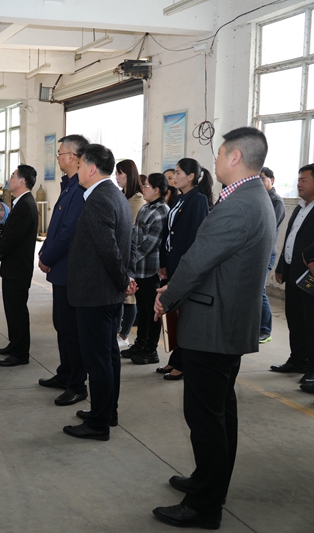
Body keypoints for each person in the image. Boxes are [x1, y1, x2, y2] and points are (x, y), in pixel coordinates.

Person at [152, 126, 275, 530]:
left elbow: (198, 259)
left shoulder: (240, 204)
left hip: (214, 325)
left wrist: (167, 297)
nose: (216, 161)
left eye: (220, 153)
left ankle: (204, 506)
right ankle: (208, 481)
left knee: (206, 418)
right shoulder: (251, 197)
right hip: (226, 320)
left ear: (235, 157)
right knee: (220, 413)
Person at [64, 144, 135, 441]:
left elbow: (109, 250)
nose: (77, 169)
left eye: (80, 165)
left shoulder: (99, 199)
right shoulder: (114, 195)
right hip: (108, 293)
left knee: (98, 361)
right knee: (108, 356)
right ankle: (107, 411)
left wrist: (122, 280)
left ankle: (98, 423)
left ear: (92, 169)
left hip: (97, 294)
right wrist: (124, 280)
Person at [36, 134, 90, 407]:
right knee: (61, 325)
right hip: (59, 269)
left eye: (60, 153)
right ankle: (65, 373)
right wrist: (45, 252)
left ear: (73, 157)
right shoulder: (68, 186)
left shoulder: (80, 190)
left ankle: (77, 384)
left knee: (71, 330)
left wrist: (47, 256)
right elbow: (56, 227)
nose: (57, 158)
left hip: (69, 271)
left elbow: (69, 233)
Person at [155, 158, 213, 379]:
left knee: (184, 314)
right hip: (172, 264)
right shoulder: (179, 198)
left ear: (191, 177)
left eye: (178, 173)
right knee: (173, 313)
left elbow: (195, 238)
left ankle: (183, 363)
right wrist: (163, 262)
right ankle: (175, 359)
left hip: (183, 266)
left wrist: (182, 268)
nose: (174, 177)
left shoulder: (198, 200)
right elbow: (168, 232)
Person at [0, 164, 39, 367]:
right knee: (12, 309)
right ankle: (14, 344)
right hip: (14, 267)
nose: (9, 179)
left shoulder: (26, 205)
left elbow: (13, 238)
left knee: (17, 310)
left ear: (22, 181)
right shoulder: (20, 202)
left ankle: (21, 353)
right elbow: (7, 234)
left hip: (18, 268)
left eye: (13, 175)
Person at [271, 165, 314, 380]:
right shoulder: (299, 207)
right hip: (293, 272)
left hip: (309, 276)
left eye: (304, 180)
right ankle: (297, 359)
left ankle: (311, 367)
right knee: (295, 318)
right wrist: (282, 266)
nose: (299, 184)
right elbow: (290, 238)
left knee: (310, 323)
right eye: (298, 180)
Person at [124, 173, 170, 365]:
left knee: (152, 312)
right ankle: (140, 344)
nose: (143, 188)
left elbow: (148, 245)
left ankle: (151, 350)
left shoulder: (161, 212)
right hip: (139, 269)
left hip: (150, 271)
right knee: (142, 310)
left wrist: (130, 260)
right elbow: (135, 234)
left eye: (147, 186)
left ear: (157, 190)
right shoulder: (146, 207)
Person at [115, 159, 145, 349]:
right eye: (116, 173)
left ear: (130, 175)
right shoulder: (121, 195)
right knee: (120, 296)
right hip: (119, 250)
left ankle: (125, 335)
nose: (117, 177)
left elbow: (129, 227)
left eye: (120, 174)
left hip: (130, 253)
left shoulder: (137, 199)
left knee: (129, 298)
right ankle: (118, 331)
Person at [258, 167, 286, 343]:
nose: (259, 182)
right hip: (256, 252)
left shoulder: (276, 201)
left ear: (272, 180)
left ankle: (265, 330)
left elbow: (268, 229)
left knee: (260, 291)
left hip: (266, 253)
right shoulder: (260, 198)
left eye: (262, 178)